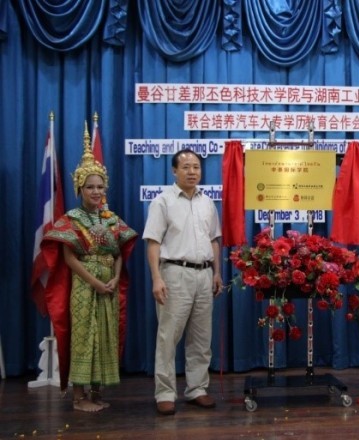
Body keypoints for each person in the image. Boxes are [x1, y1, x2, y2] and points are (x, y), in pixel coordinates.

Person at [41, 128, 137, 412]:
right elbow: (69, 259)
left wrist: (116, 276)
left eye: (100, 187)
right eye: (90, 187)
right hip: (85, 284)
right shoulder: (71, 219)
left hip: (108, 282)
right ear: (79, 190)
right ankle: (79, 397)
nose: (96, 192)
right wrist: (95, 282)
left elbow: (119, 251)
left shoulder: (111, 218)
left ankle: (96, 393)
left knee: (106, 334)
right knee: (84, 335)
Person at [143, 148, 223, 416]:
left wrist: (216, 272)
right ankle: (165, 393)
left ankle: (197, 388)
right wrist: (156, 278)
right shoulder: (163, 202)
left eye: (196, 167)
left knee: (202, 337)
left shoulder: (207, 202)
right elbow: (153, 242)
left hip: (204, 274)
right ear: (174, 171)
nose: (192, 172)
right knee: (168, 336)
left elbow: (214, 240)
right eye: (186, 167)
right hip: (174, 274)